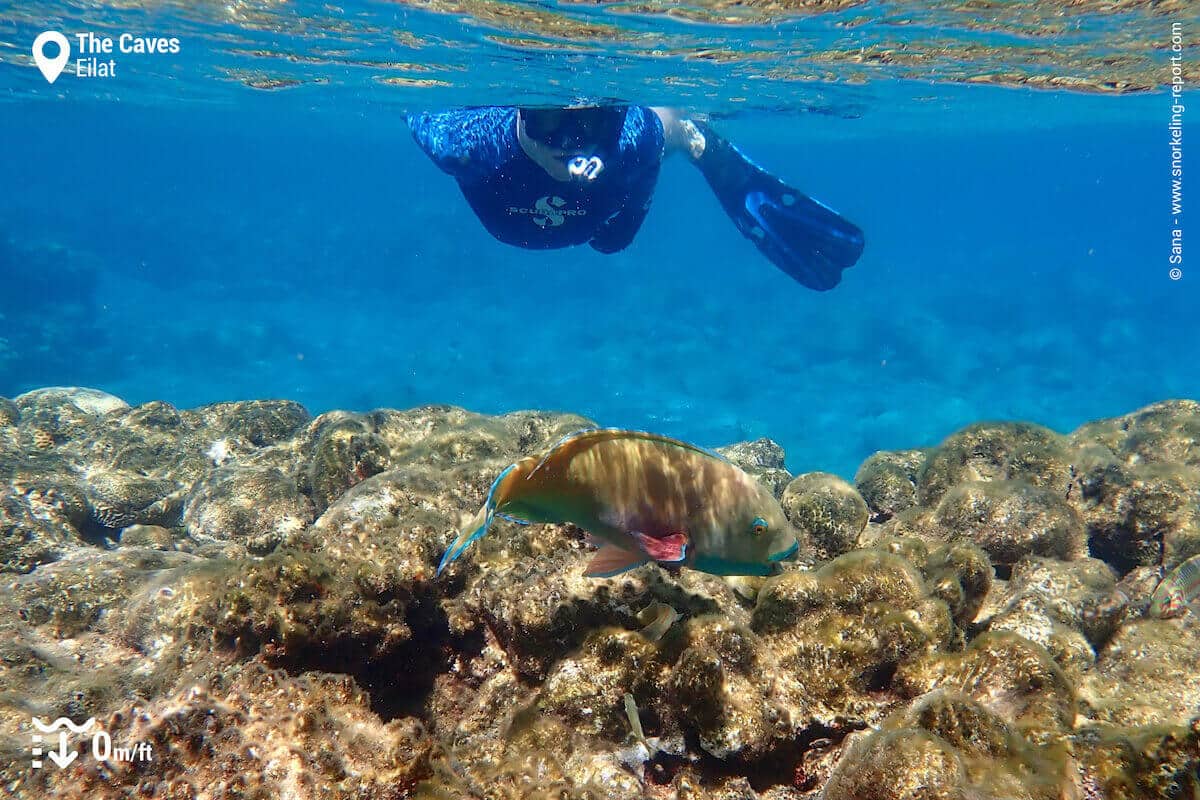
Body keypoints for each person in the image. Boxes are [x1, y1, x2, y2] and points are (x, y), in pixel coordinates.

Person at [406, 105, 864, 291]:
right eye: (548, 119)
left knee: (655, 133)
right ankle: (682, 133)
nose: (570, 142)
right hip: (588, 202)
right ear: (522, 113)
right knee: (649, 142)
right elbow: (418, 110)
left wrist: (622, 225)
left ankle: (690, 136)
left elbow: (641, 171)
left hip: (612, 182)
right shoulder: (467, 146)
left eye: (595, 122)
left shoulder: (629, 143)